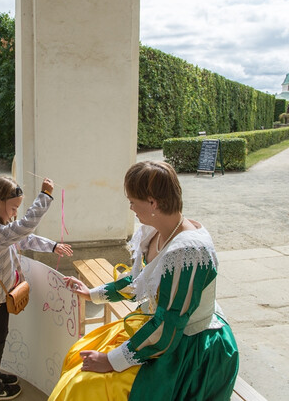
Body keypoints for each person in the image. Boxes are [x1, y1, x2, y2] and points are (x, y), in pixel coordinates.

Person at [50, 161, 239, 401]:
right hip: (160, 329)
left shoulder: (188, 252)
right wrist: (92, 294)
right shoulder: (157, 231)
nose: (130, 207)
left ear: (152, 202)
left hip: (189, 347)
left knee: (86, 386)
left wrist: (112, 360)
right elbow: (141, 280)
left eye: (132, 201)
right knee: (77, 355)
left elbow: (169, 325)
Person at [0, 176, 73, 400]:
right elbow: (24, 227)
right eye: (13, 208)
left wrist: (52, 246)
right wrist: (45, 196)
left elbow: (24, 238)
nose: (15, 213)